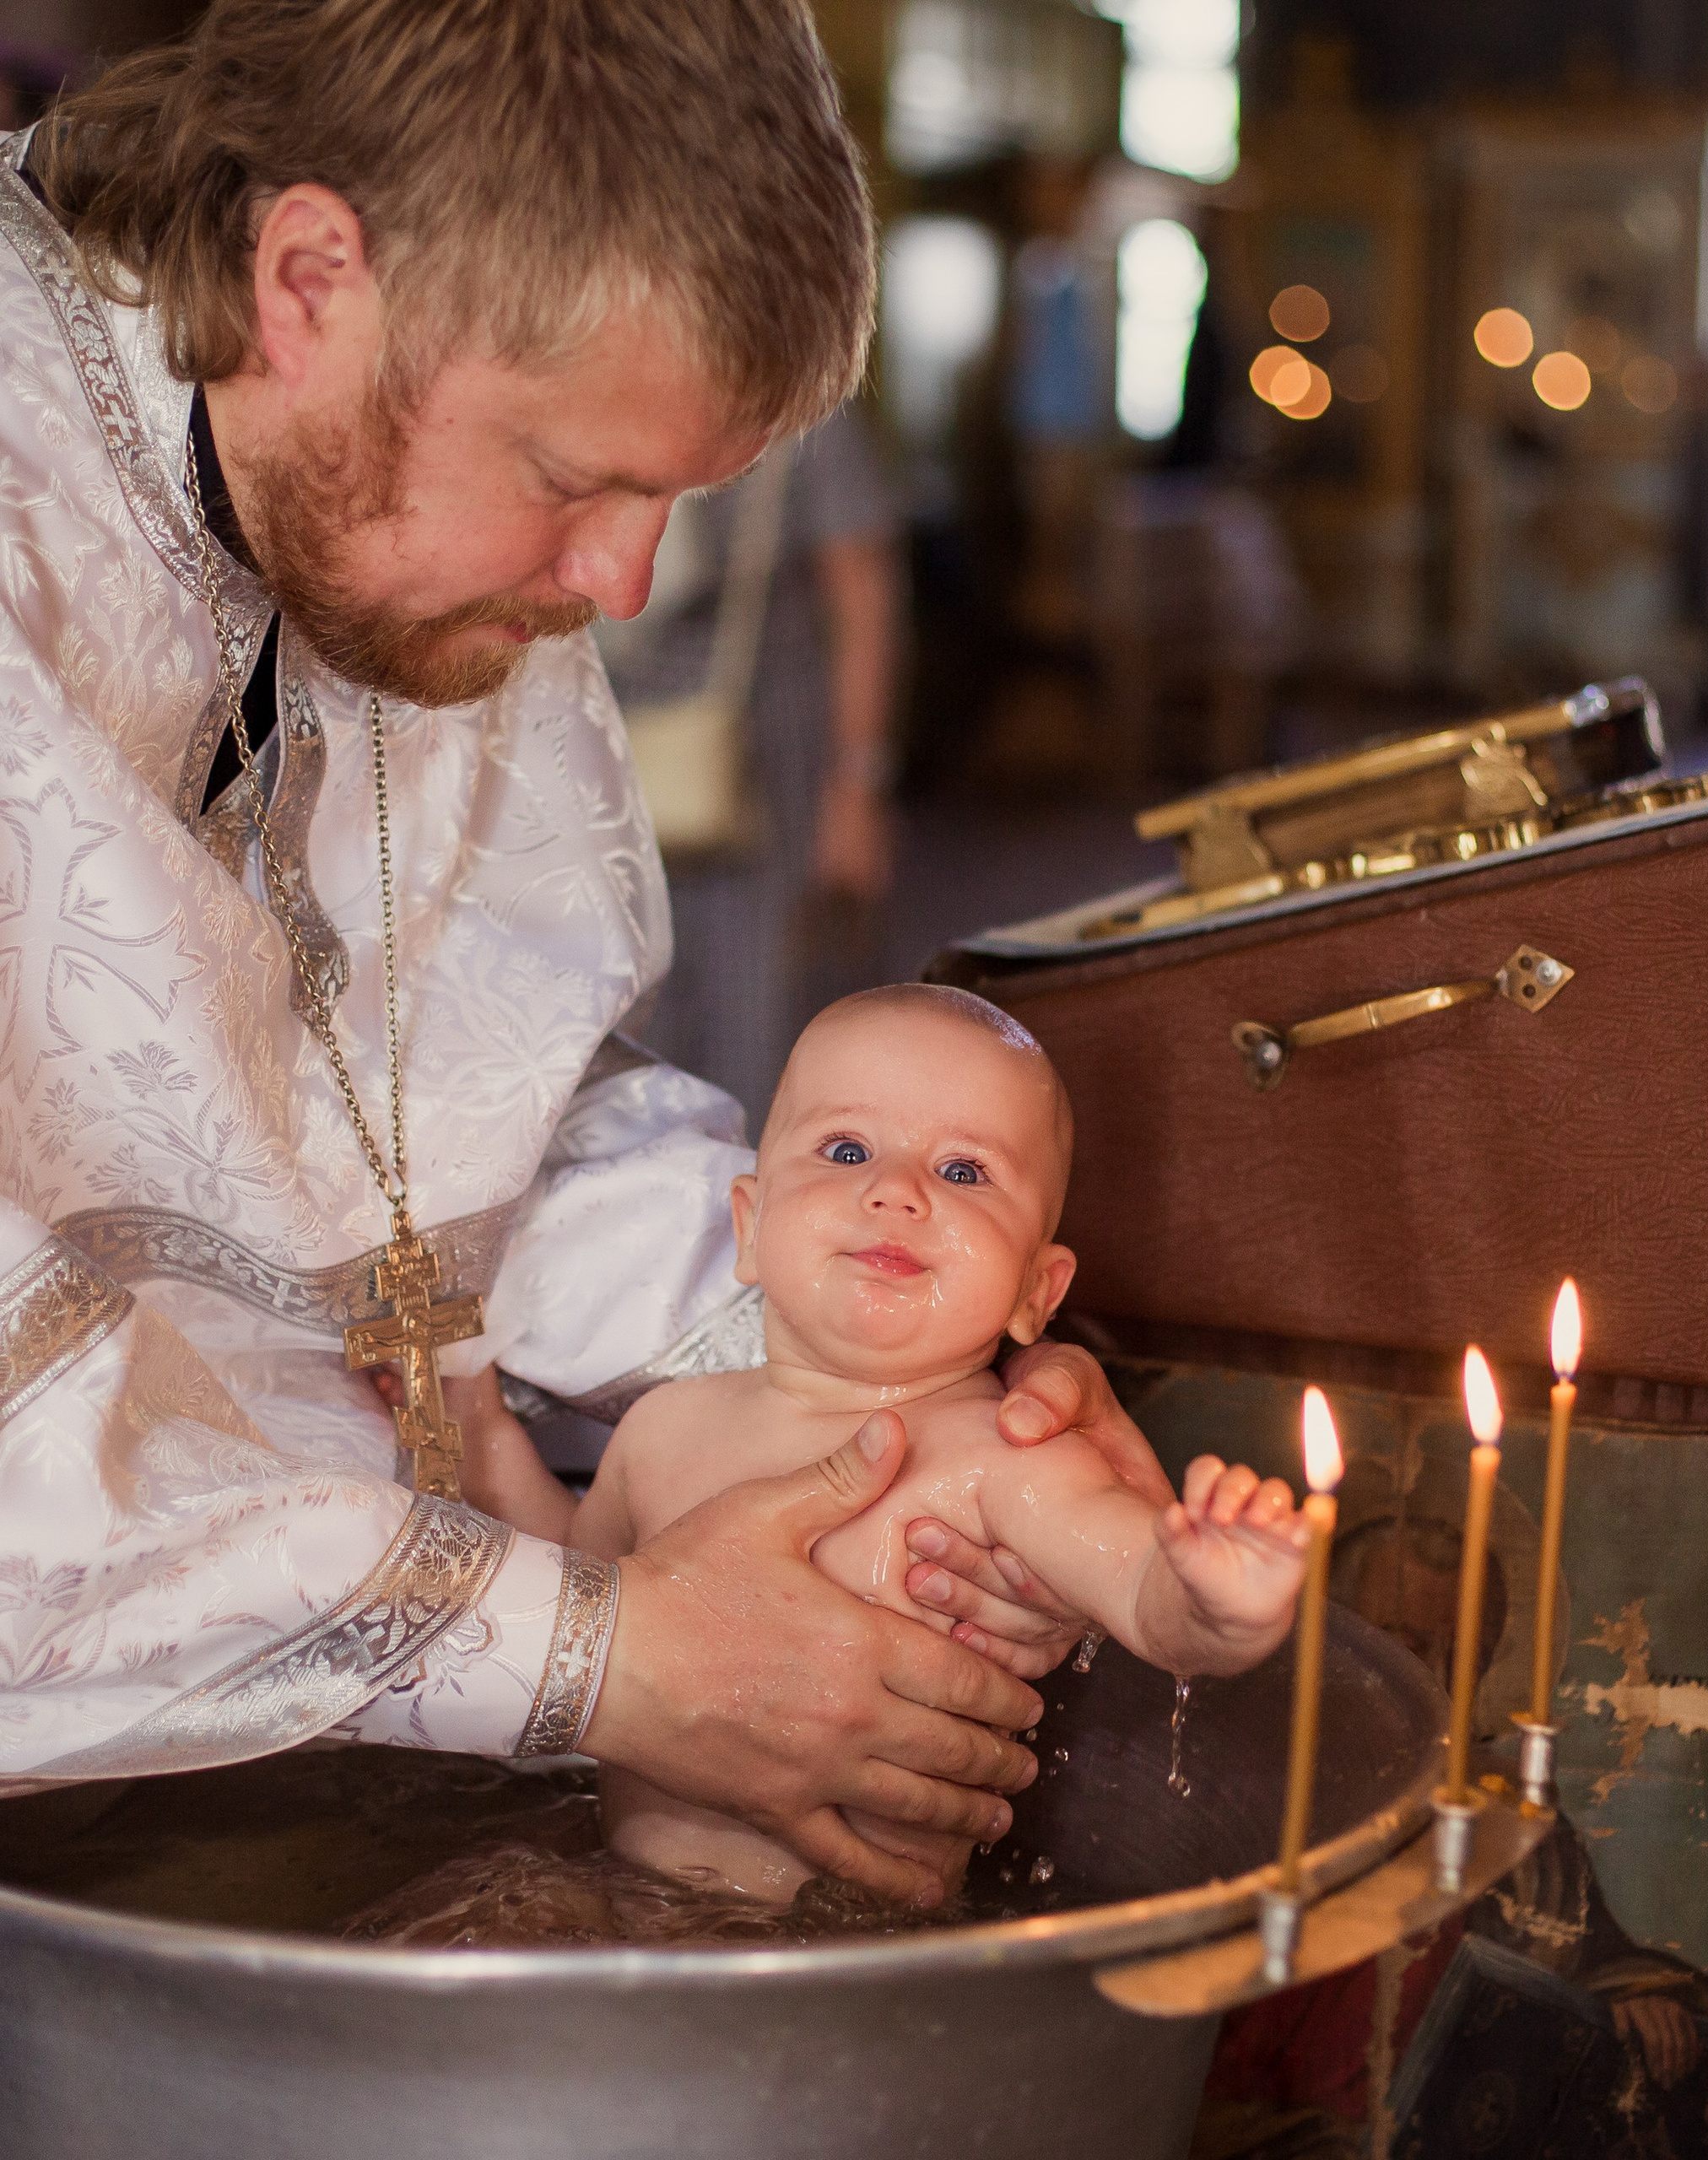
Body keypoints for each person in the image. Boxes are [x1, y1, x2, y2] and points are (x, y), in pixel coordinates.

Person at [0, 0, 1171, 1911]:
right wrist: (601, 1656)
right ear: (309, 277)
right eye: (571, 478)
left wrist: (890, 1377)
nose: (618, 590)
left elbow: (478, 1102)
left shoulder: (397, 521)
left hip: (286, 1727)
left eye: (672, 503)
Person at [454, 984, 1308, 1901]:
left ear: (1036, 1291)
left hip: (848, 1944)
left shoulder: (1005, 1458)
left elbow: (1142, 1592)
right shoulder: (663, 1427)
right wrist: (478, 1430)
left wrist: (1218, 1601)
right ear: (749, 1225)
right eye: (847, 1149)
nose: (896, 1190)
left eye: (964, 1171)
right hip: (622, 1904)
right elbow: (570, 1601)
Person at [606, 404, 902, 1129]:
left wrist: (856, 789)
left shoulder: (803, 408)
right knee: (622, 1035)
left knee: (757, 1024)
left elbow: (861, 593)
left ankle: (762, 1218)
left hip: (768, 759)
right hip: (605, 759)